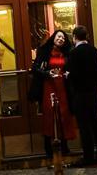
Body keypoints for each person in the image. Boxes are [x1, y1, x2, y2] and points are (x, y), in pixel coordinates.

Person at [30, 30, 76, 159]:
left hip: (63, 86)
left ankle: (65, 146)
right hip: (48, 86)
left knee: (64, 114)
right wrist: (47, 73)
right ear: (53, 37)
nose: (61, 39)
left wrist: (68, 73)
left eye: (63, 38)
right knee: (49, 115)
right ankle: (48, 148)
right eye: (58, 36)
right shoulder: (44, 50)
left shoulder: (67, 53)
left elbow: (71, 68)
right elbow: (35, 68)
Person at [66, 25, 97, 166]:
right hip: (94, 93)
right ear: (86, 36)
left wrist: (70, 79)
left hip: (81, 95)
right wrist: (95, 88)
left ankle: (88, 156)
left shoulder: (74, 53)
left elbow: (73, 74)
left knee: (84, 127)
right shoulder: (94, 51)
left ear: (74, 37)